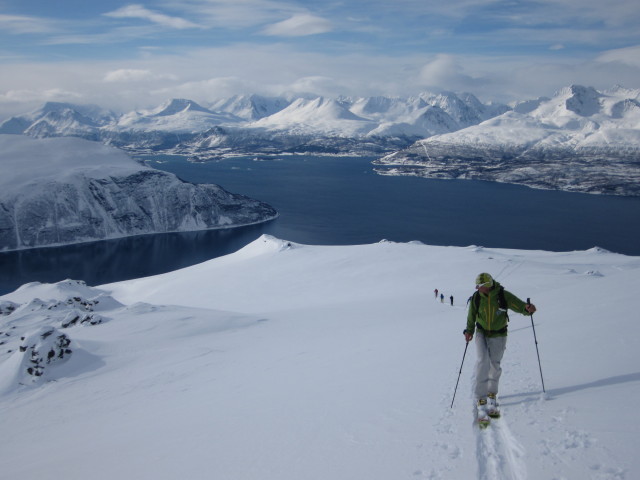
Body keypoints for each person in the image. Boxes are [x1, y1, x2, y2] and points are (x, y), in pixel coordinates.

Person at [463, 273, 537, 420]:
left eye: (481, 286)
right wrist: (469, 331)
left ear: (488, 285)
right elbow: (471, 317)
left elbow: (520, 306)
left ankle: (492, 394)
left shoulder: (503, 295)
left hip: (499, 335)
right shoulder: (477, 298)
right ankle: (480, 396)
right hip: (481, 333)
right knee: (482, 361)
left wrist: (528, 309)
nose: (478, 288)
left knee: (495, 365)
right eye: (477, 286)